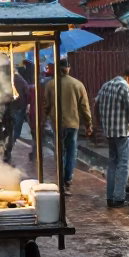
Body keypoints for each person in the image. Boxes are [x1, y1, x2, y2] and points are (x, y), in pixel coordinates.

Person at [95, 65, 129, 207]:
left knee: (112, 164)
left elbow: (96, 104)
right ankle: (119, 198)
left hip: (109, 132)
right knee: (123, 164)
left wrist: (100, 123)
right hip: (122, 132)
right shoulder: (124, 87)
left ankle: (110, 197)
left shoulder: (106, 85)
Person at [41, 59, 92, 193]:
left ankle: (60, 179)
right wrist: (88, 124)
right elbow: (84, 107)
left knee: (59, 151)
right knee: (70, 152)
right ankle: (67, 181)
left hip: (57, 123)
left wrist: (42, 122)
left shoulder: (50, 85)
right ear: (68, 68)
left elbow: (46, 106)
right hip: (72, 124)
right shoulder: (77, 84)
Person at [3, 66, 31, 164]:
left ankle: (6, 151)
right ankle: (7, 151)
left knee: (10, 132)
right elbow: (27, 94)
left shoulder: (7, 80)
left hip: (10, 109)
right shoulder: (20, 80)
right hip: (18, 109)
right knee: (15, 133)